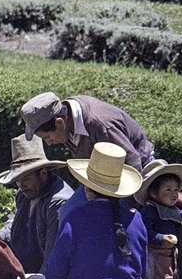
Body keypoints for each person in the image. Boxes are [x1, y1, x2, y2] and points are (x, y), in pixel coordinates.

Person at [19, 143, 165, 279]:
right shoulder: (135, 217)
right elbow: (140, 268)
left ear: (88, 187)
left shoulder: (75, 217)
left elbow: (54, 273)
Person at [20, 92, 158, 221]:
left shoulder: (101, 126)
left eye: (47, 137)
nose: (49, 143)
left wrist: (125, 208)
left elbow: (133, 163)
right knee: (66, 214)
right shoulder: (67, 120)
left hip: (133, 176)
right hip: (100, 178)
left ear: (60, 123)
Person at [0, 135, 73, 273]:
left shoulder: (57, 203)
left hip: (46, 275)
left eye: (26, 179)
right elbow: (20, 224)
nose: (21, 185)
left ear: (43, 174)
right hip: (26, 268)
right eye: (17, 180)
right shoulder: (25, 194)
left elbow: (52, 259)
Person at [134, 159, 182, 279]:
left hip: (169, 256)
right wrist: (160, 238)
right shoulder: (149, 211)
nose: (174, 194)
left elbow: (176, 212)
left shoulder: (171, 207)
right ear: (154, 193)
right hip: (154, 256)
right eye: (168, 190)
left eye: (176, 190)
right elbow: (143, 233)